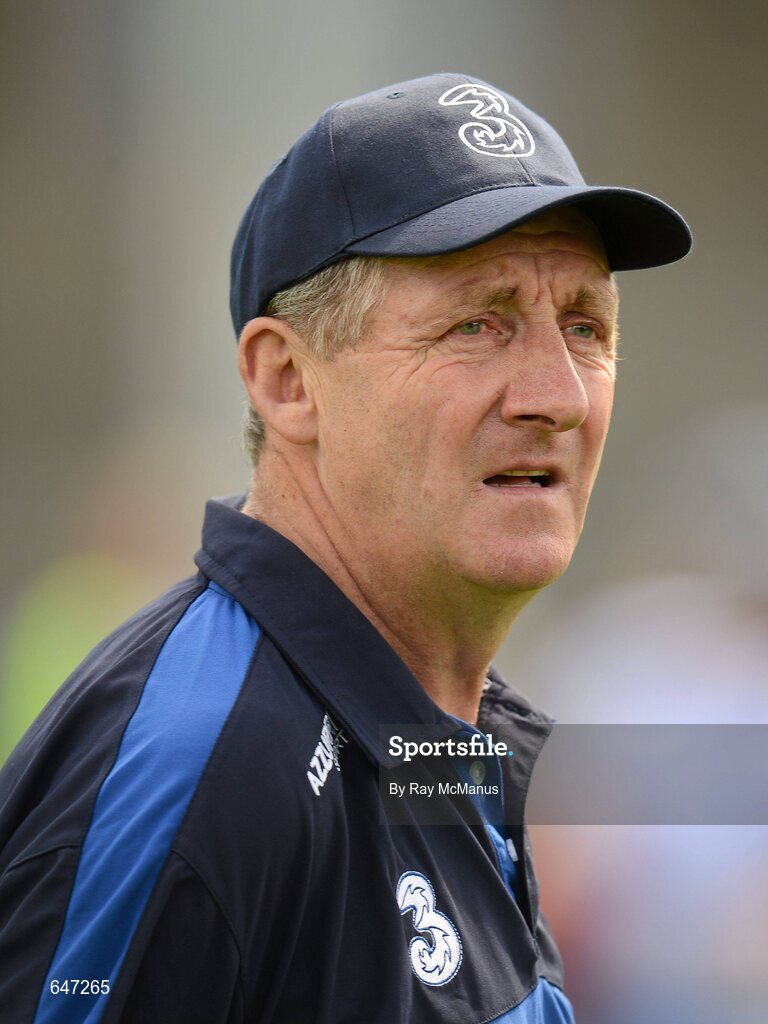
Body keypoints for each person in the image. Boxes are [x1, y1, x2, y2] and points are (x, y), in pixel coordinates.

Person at [0, 73, 690, 1023]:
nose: (557, 395)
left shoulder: (431, 731)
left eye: (584, 326)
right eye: (475, 325)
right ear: (286, 380)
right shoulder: (210, 772)